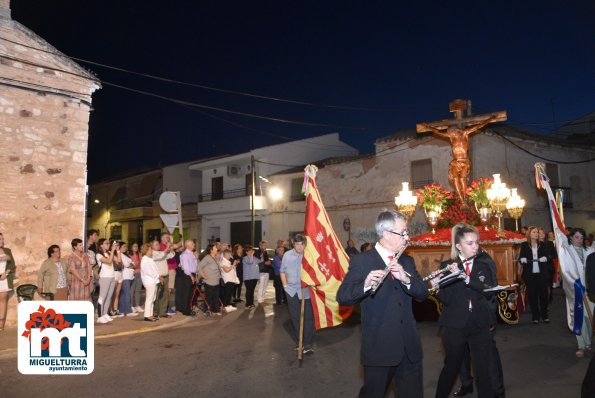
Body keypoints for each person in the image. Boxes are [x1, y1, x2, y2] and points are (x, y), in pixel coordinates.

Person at [337, 210, 428, 398]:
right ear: (386, 234)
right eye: (402, 232)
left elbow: (422, 294)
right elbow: (343, 296)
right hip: (379, 348)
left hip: (409, 348)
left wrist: (406, 279)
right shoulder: (362, 262)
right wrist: (365, 285)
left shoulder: (407, 261)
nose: (407, 237)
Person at [433, 223, 497, 398]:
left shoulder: (483, 265)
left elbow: (488, 289)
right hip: (455, 324)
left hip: (480, 323)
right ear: (459, 246)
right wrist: (437, 288)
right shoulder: (447, 265)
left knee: (483, 370)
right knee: (451, 367)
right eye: (470, 243)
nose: (475, 246)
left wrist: (466, 278)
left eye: (476, 242)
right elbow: (448, 300)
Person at [280, 234, 314, 354]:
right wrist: (285, 286)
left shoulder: (309, 255)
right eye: (297, 244)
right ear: (293, 244)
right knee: (295, 318)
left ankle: (308, 344)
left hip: (306, 291)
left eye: (301, 244)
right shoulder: (287, 255)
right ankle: (300, 342)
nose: (299, 247)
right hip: (291, 291)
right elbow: (282, 271)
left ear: (305, 244)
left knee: (308, 318)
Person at [569, 228, 594, 358]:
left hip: (590, 290)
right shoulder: (567, 253)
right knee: (579, 318)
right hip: (575, 290)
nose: (579, 240)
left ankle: (589, 341)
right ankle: (581, 346)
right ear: (571, 237)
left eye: (581, 237)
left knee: (590, 317)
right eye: (577, 237)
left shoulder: (589, 251)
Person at [519, 226, 550, 324]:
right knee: (532, 296)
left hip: (542, 274)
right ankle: (535, 316)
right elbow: (521, 257)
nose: (536, 234)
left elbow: (549, 256)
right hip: (530, 275)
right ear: (529, 234)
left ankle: (544, 315)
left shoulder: (542, 244)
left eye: (537, 232)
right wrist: (522, 259)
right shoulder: (524, 245)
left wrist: (545, 258)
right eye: (534, 232)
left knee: (543, 295)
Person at [96, 238, 119, 323]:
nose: (108, 245)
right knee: (102, 297)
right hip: (104, 277)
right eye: (106, 243)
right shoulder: (98, 255)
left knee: (109, 297)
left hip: (112, 277)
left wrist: (117, 251)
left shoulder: (109, 252)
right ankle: (100, 316)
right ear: (101, 245)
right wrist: (112, 251)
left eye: (109, 243)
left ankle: (105, 314)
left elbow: (118, 260)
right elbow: (109, 261)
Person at [152, 239, 175, 319]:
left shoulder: (161, 252)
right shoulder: (153, 254)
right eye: (156, 244)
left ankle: (162, 312)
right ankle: (155, 312)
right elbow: (160, 256)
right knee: (157, 295)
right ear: (152, 246)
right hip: (159, 277)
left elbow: (171, 255)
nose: (158, 245)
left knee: (164, 295)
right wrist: (167, 248)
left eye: (158, 244)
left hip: (166, 276)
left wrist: (171, 247)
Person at [199, 244, 222, 315]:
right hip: (209, 281)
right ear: (211, 250)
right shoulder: (207, 257)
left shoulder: (216, 257)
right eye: (215, 248)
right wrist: (203, 275)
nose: (217, 249)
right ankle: (207, 311)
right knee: (209, 297)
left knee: (216, 297)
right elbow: (199, 266)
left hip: (216, 281)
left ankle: (215, 310)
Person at [0, 232, 16, 331]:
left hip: (4, 279)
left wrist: (6, 273)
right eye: (0, 239)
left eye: (2, 239)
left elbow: (12, 265)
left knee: (3, 301)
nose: (2, 241)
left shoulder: (7, 251)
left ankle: (1, 326)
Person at [177, 240, 198, 316]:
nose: (194, 244)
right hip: (187, 275)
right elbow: (186, 268)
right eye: (192, 243)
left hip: (192, 274)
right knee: (186, 293)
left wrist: (196, 274)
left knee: (190, 293)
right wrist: (191, 276)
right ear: (188, 245)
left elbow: (195, 265)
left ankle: (189, 308)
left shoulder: (192, 253)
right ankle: (185, 311)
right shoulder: (185, 254)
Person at [140, 243, 159, 322]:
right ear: (146, 250)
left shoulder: (150, 259)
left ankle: (150, 314)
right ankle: (147, 315)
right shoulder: (144, 260)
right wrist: (158, 276)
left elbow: (155, 269)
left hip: (153, 280)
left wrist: (158, 275)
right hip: (149, 281)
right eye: (151, 249)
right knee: (149, 298)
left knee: (152, 298)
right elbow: (149, 272)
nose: (152, 251)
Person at [118, 242, 137, 317]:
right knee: (127, 294)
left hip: (129, 276)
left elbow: (133, 263)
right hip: (125, 276)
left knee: (123, 294)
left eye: (126, 246)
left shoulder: (126, 255)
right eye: (123, 247)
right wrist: (131, 264)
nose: (125, 248)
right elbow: (126, 264)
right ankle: (128, 311)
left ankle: (122, 310)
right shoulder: (120, 255)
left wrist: (131, 265)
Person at [538, 227, 557, 303]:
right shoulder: (535, 244)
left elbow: (554, 255)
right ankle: (543, 299)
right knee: (541, 285)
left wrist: (548, 257)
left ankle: (549, 297)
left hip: (549, 267)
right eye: (539, 233)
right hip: (539, 267)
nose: (541, 235)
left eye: (543, 233)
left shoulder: (549, 243)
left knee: (549, 284)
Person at [220, 248, 239, 313]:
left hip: (231, 279)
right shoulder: (223, 261)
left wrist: (234, 265)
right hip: (227, 280)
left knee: (229, 294)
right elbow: (227, 270)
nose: (230, 256)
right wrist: (233, 265)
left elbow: (231, 269)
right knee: (227, 294)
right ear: (226, 254)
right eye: (229, 254)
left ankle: (228, 306)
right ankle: (225, 307)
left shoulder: (228, 261)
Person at [255, 240, 272, 305]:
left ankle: (263, 299)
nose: (265, 246)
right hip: (261, 271)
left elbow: (266, 260)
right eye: (264, 245)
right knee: (261, 286)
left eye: (265, 245)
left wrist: (268, 262)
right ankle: (260, 300)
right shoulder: (257, 252)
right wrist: (265, 262)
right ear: (260, 245)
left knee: (265, 285)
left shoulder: (265, 252)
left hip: (266, 270)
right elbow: (258, 262)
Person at [243, 245, 259, 309]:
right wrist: (252, 255)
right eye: (250, 250)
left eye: (252, 250)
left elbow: (260, 262)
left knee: (252, 290)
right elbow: (250, 262)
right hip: (248, 277)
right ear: (246, 252)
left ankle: (251, 303)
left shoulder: (255, 258)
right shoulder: (245, 258)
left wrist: (262, 257)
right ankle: (247, 304)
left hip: (254, 277)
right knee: (248, 290)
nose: (251, 251)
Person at [129, 242, 143, 313]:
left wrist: (136, 265)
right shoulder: (129, 256)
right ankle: (131, 305)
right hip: (133, 274)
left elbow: (141, 264)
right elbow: (131, 266)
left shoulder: (140, 254)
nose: (136, 247)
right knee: (132, 290)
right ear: (131, 248)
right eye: (134, 246)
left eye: (137, 246)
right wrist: (136, 265)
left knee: (138, 290)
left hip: (139, 273)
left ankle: (137, 305)